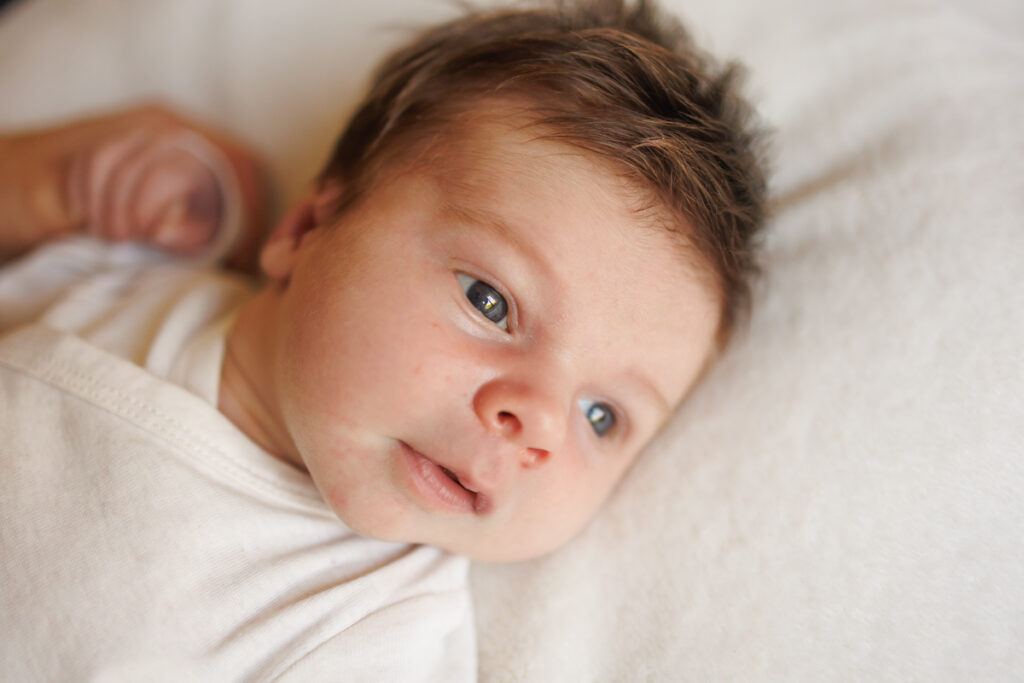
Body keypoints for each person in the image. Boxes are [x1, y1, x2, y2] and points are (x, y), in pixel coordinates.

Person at [0, 0, 766, 679]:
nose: (534, 418)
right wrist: (64, 185)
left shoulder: (366, 631)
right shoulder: (127, 277)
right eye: (490, 302)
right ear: (308, 227)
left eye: (601, 415)